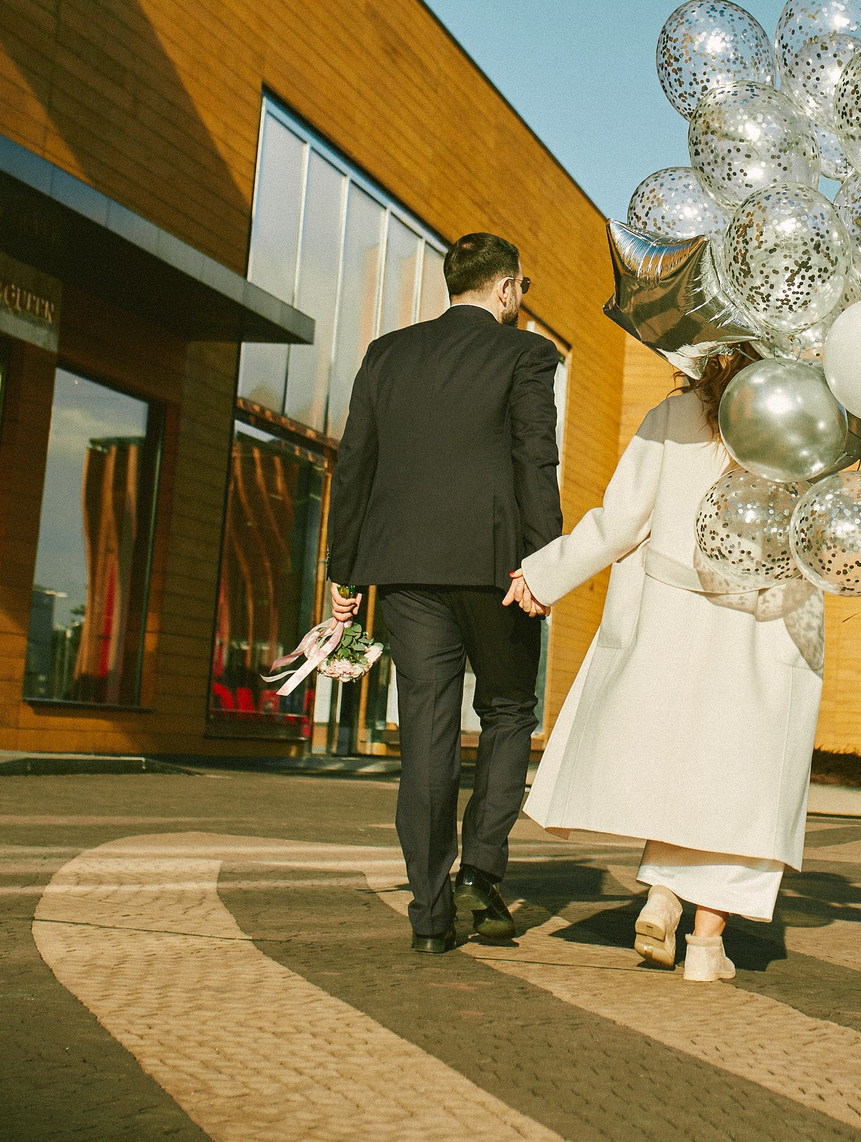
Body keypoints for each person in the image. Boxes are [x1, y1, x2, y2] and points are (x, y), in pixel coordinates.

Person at [509, 345, 826, 983]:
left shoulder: (673, 416)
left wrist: (547, 574)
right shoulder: (813, 426)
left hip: (672, 619)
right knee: (744, 783)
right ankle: (706, 946)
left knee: (680, 767)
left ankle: (662, 895)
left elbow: (621, 521)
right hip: (761, 625)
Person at [324, 232, 564, 954]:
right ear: (504, 289)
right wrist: (545, 562)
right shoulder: (526, 354)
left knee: (425, 732)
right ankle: (480, 869)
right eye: (522, 287)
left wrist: (344, 573)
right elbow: (534, 461)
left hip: (404, 571)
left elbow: (355, 461)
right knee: (509, 708)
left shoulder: (386, 354)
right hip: (497, 569)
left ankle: (430, 913)